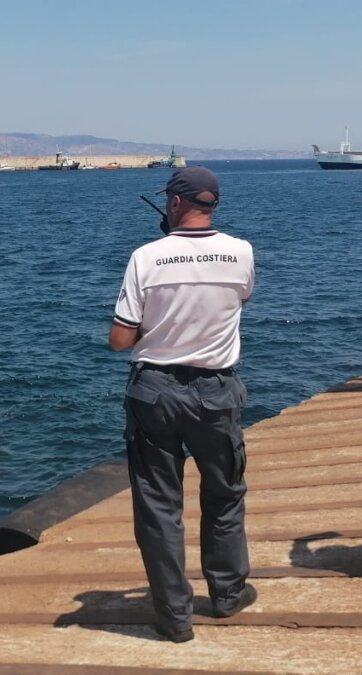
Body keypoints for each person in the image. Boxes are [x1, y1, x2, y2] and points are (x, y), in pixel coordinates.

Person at [109, 166, 256, 642]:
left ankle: (174, 620)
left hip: (155, 392)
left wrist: (157, 325)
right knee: (225, 495)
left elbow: (119, 339)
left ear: (174, 203)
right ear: (212, 204)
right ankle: (228, 595)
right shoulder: (241, 252)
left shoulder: (146, 257)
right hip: (216, 391)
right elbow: (236, 303)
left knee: (158, 506)